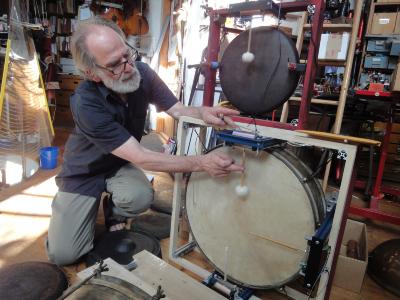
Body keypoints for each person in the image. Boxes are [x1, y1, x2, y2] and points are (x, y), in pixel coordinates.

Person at [46, 16, 243, 266]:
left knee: (139, 196)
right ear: (92, 74)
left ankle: (113, 210)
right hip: (84, 173)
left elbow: (179, 109)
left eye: (126, 54)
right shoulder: (86, 103)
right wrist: (202, 162)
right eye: (114, 65)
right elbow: (141, 156)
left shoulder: (143, 73)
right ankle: (73, 209)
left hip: (118, 164)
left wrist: (202, 112)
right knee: (64, 255)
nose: (128, 66)